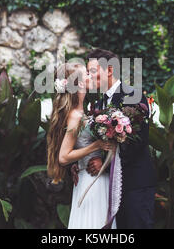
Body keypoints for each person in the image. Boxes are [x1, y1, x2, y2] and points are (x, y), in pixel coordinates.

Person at [78, 48, 157, 229]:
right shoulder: (99, 104)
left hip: (135, 183)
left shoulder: (133, 96)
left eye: (92, 71)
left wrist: (104, 165)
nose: (89, 77)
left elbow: (138, 141)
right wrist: (82, 163)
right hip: (110, 187)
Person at [46, 62, 116, 229]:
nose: (91, 76)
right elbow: (63, 157)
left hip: (92, 176)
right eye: (86, 74)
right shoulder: (76, 115)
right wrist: (96, 146)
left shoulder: (80, 111)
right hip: (92, 181)